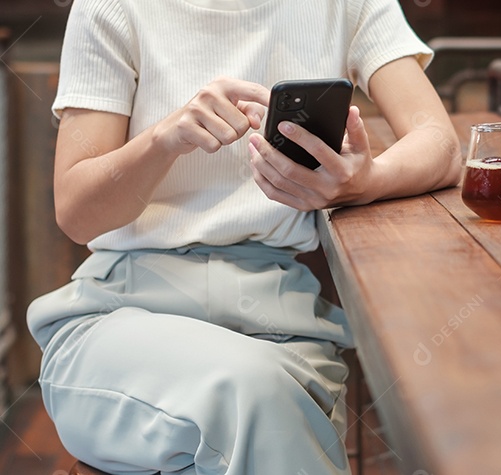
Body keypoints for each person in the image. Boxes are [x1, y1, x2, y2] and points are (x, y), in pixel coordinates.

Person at [27, 0, 459, 474]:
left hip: (283, 332)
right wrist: (165, 137)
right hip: (118, 322)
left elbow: (439, 142)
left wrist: (364, 182)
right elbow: (76, 213)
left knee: (260, 401)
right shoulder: (109, 8)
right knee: (258, 396)